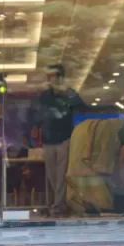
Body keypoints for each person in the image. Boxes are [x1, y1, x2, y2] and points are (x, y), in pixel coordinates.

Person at [35, 64, 83, 216]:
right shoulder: (44, 96)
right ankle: (61, 204)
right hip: (48, 140)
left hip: (64, 138)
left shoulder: (69, 94)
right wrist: (37, 129)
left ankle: (57, 207)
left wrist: (67, 93)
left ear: (61, 77)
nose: (51, 79)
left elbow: (81, 107)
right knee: (52, 175)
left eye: (54, 76)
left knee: (62, 175)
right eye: (49, 76)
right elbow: (38, 115)